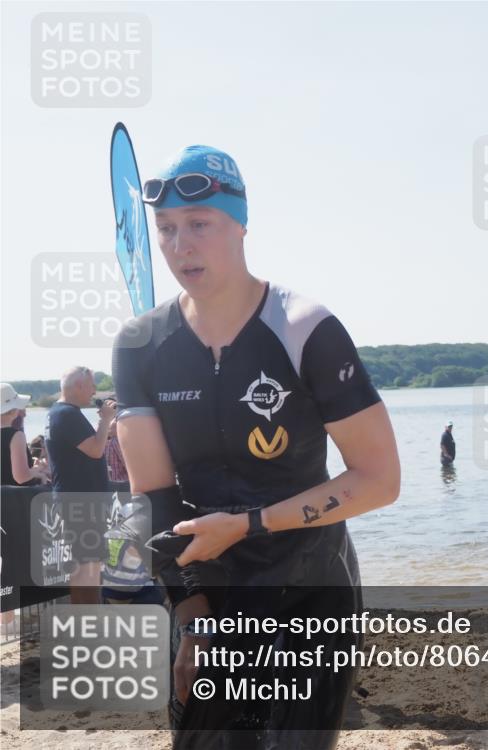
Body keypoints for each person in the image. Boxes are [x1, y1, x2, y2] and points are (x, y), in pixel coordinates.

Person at [112, 144, 400, 748]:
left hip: (311, 585)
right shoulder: (140, 345)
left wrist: (249, 524)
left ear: (240, 223)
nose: (180, 245)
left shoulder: (304, 328)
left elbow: (378, 478)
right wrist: (191, 620)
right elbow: (153, 496)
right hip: (205, 589)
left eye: (199, 224)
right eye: (165, 229)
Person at [44, 367, 116, 604]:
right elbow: (96, 450)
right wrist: (105, 419)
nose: (95, 391)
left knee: (88, 566)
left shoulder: (60, 413)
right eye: (92, 385)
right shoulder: (67, 414)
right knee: (87, 568)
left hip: (79, 501)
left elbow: (86, 450)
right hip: (80, 503)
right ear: (78, 386)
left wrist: (105, 427)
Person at [1, 384, 48, 486]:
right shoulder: (16, 436)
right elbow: (21, 477)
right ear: (13, 410)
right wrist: (37, 469)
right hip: (11, 498)